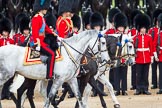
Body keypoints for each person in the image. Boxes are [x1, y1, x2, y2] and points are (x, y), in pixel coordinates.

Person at [31, 0, 58, 79]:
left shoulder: (42, 18)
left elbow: (46, 28)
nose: (46, 10)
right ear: (40, 9)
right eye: (45, 9)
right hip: (38, 42)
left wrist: (54, 34)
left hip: (42, 41)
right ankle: (49, 74)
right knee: (52, 54)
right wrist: (37, 43)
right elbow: (35, 33)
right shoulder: (36, 18)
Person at [133, 13, 153, 95]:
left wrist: (151, 57)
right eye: (142, 28)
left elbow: (151, 48)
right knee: (139, 75)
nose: (143, 30)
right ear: (139, 28)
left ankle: (145, 88)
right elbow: (134, 49)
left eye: (144, 28)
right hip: (139, 58)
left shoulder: (149, 37)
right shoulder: (135, 37)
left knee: (145, 74)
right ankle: (138, 89)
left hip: (147, 57)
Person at [89, 12, 107, 97]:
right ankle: (94, 90)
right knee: (93, 74)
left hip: (100, 57)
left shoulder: (102, 35)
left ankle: (101, 90)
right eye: (96, 26)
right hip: (92, 57)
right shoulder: (90, 35)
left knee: (101, 73)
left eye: (98, 26)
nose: (97, 28)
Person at [113, 13, 129, 96]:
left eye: (122, 27)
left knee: (124, 74)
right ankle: (117, 90)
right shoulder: (114, 36)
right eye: (119, 27)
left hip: (124, 57)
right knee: (116, 74)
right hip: (116, 57)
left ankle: (124, 89)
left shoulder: (126, 36)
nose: (121, 28)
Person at [105, 8, 121, 89]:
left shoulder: (119, 32)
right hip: (110, 53)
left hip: (117, 53)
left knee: (117, 70)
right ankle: (112, 84)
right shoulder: (108, 31)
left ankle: (117, 85)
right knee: (111, 70)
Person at [0, 17, 14, 100]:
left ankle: (7, 93)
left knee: (9, 79)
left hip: (9, 63)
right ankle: (2, 94)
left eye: (7, 32)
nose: (6, 33)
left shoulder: (11, 41)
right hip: (1, 62)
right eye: (4, 31)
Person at [128, 9, 142, 90]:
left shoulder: (140, 31)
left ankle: (139, 83)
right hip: (133, 51)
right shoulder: (132, 31)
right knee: (133, 68)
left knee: (139, 69)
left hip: (140, 52)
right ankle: (134, 84)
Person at [148, 9, 162, 89]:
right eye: (156, 21)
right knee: (154, 69)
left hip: (160, 51)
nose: (157, 22)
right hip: (153, 51)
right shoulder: (152, 30)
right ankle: (154, 83)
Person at [154, 13, 162, 94]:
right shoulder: (159, 35)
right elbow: (154, 45)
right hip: (161, 56)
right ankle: (161, 88)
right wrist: (156, 56)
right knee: (161, 73)